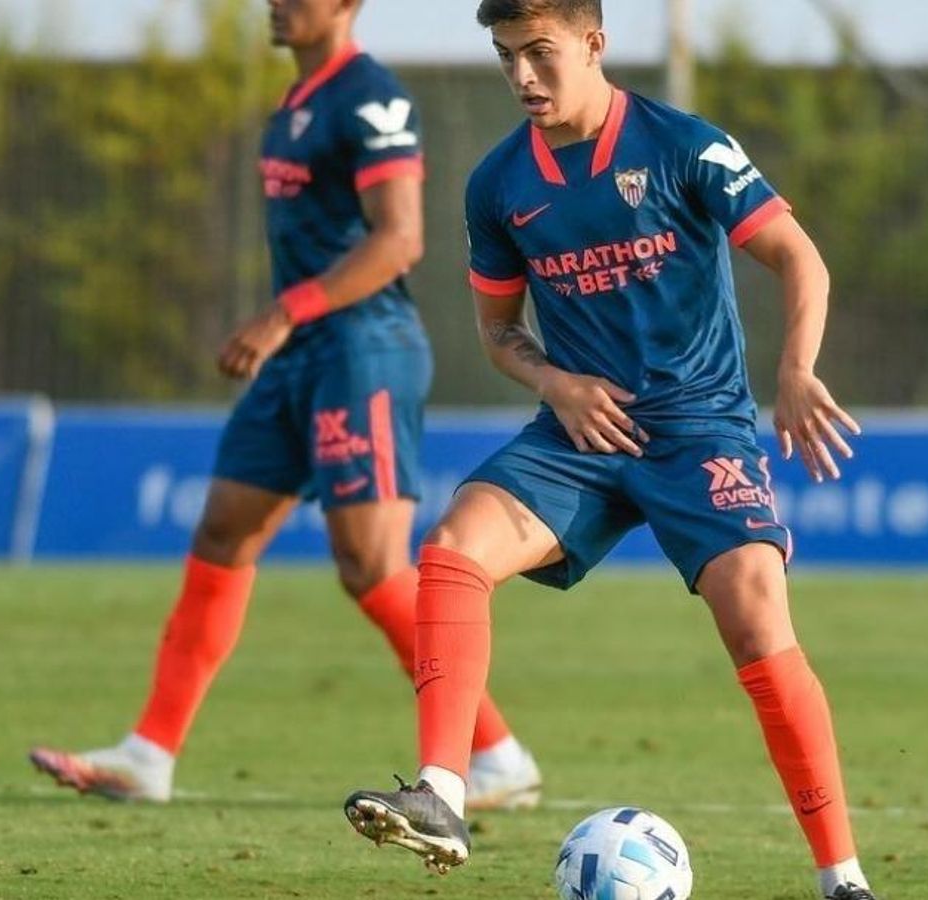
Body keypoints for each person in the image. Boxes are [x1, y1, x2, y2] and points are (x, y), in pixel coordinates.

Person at [341, 1, 878, 897]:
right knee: (451, 549)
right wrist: (555, 382)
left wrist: (792, 369)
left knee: (755, 613)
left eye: (540, 53)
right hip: (580, 430)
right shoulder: (499, 184)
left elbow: (798, 257)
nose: (522, 76)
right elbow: (500, 333)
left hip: (700, 424)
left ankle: (843, 879)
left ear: (594, 44)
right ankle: (441, 791)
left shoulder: (684, 145)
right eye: (507, 56)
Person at [30, 0, 539, 811]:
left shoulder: (370, 98)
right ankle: (148, 753)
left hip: (360, 351)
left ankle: (497, 755)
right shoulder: (294, 104)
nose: (276, 2)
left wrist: (280, 313)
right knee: (224, 530)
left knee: (370, 566)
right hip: (298, 358)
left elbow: (399, 238)